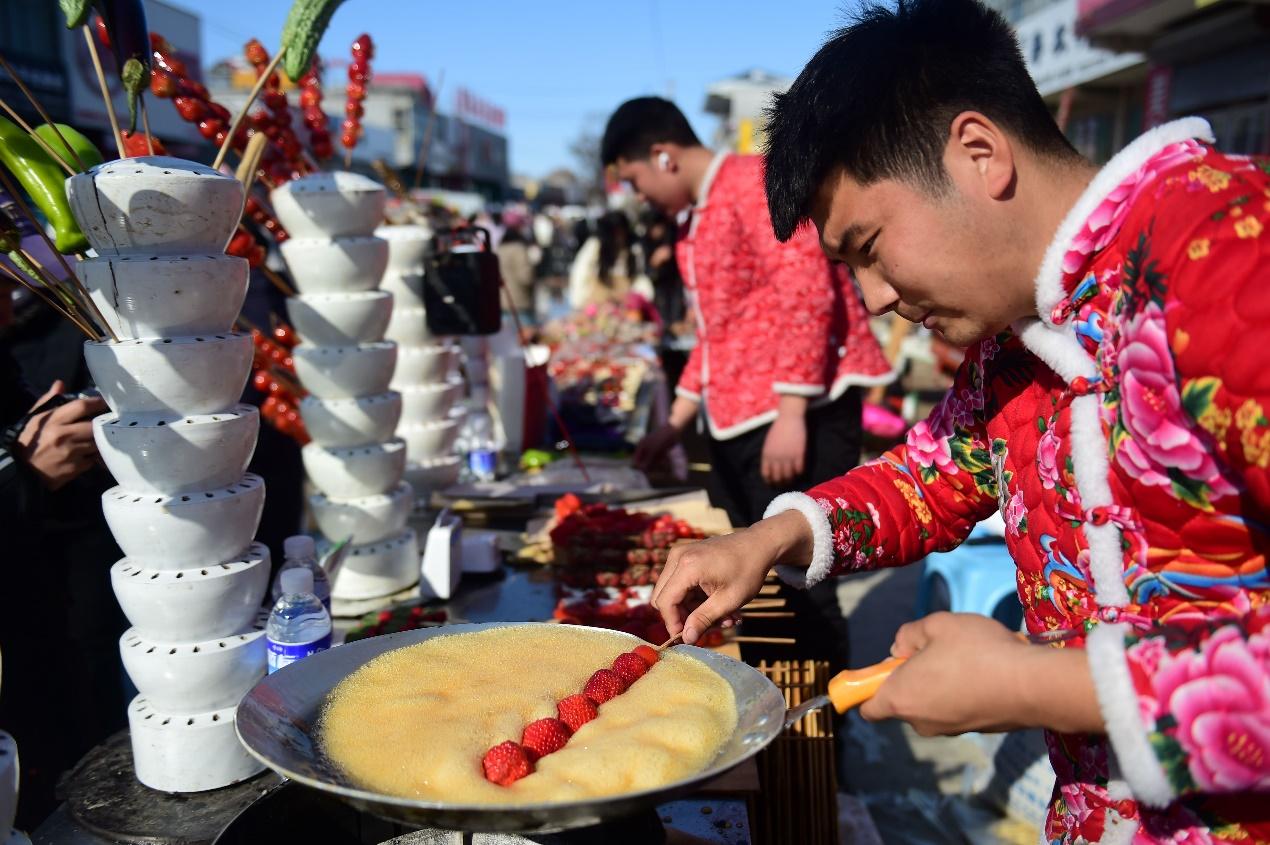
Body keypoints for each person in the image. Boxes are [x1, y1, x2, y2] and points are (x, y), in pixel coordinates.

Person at [650, 1, 1270, 841]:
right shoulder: (1018, 336)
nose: (871, 297)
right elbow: (931, 474)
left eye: (868, 245)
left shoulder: (1230, 256)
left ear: (979, 153)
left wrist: (1031, 686)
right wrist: (768, 539)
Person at [604, 96, 892, 675]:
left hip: (794, 416)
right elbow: (719, 331)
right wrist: (676, 423)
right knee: (750, 575)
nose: (639, 197)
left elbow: (804, 288)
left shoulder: (750, 182)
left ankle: (819, 735)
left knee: (803, 580)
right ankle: (772, 708)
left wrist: (791, 411)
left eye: (634, 179)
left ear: (662, 155)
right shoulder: (702, 208)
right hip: (747, 417)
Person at [566, 210, 652, 309]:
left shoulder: (633, 249)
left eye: (621, 232)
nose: (619, 237)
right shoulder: (595, 246)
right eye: (615, 233)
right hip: (598, 303)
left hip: (625, 304)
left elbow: (639, 278)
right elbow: (581, 273)